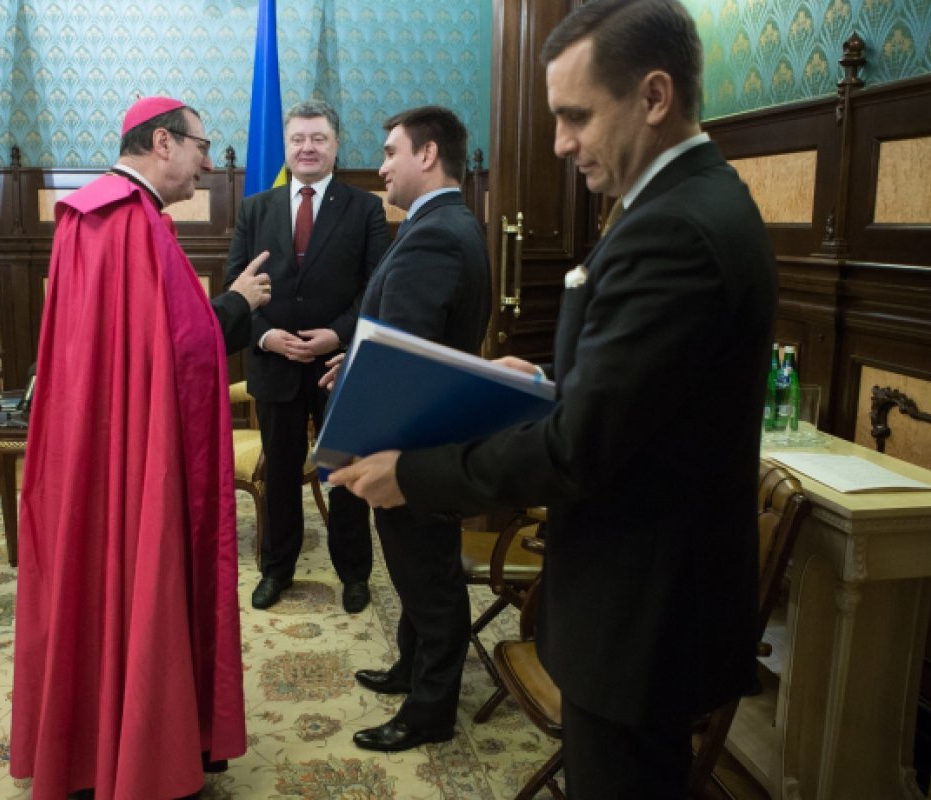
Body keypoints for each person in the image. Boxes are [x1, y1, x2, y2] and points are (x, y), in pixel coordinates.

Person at [329, 1, 777, 795]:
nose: (561, 142)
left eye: (576, 115)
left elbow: (578, 448)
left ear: (654, 96)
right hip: (645, 597)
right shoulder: (685, 201)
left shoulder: (674, 228)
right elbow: (641, 392)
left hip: (642, 609)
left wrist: (414, 474)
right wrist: (545, 382)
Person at [10, 96, 273, 800]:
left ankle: (89, 747)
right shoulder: (133, 222)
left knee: (94, 581)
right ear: (163, 142)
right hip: (138, 453)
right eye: (201, 147)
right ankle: (143, 752)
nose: (208, 164)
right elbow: (183, 350)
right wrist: (239, 303)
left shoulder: (86, 215)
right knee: (142, 580)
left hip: (93, 444)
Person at [328, 105, 490, 753]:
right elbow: (400, 332)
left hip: (413, 444)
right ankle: (410, 668)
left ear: (428, 154)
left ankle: (430, 711)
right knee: (416, 568)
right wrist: (353, 355)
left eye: (391, 151)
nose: (381, 167)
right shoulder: (442, 223)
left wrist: (369, 441)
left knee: (431, 580)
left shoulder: (436, 234)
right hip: (423, 433)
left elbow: (404, 357)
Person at [225, 99, 389, 613]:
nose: (307, 147)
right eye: (298, 138)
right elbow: (236, 288)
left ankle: (354, 573)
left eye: (318, 138)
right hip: (274, 363)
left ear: (336, 145)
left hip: (338, 366)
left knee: (344, 473)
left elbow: (376, 289)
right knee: (279, 474)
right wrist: (266, 337)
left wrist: (337, 336)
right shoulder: (255, 208)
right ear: (286, 145)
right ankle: (277, 569)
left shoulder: (365, 208)